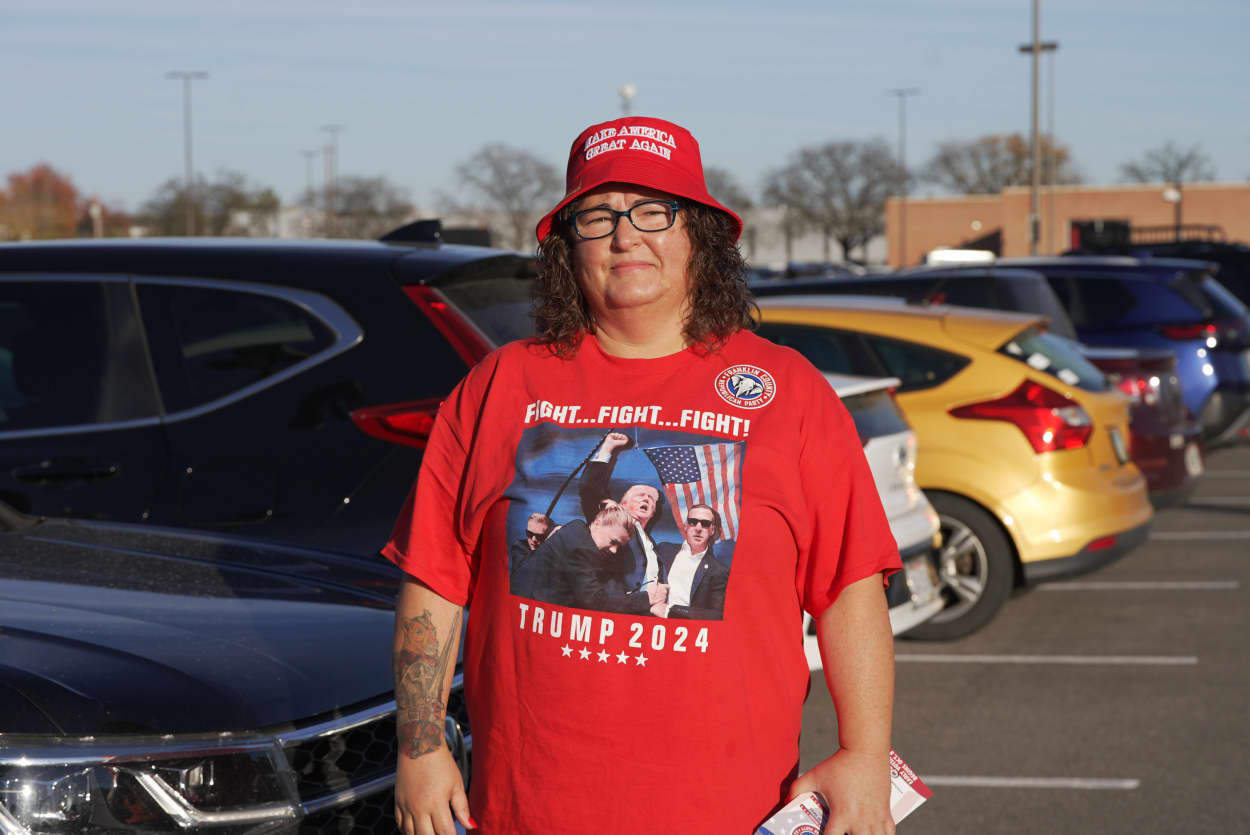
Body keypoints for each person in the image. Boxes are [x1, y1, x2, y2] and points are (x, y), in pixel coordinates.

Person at [385, 115, 901, 834]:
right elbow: (435, 578)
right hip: (527, 809)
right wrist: (420, 746)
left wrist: (864, 753)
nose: (626, 236)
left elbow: (849, 586)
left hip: (727, 809)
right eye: (598, 216)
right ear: (569, 247)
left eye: (654, 211)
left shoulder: (789, 392)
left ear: (699, 236)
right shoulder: (499, 385)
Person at [530, 501, 660, 614]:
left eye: (619, 546)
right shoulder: (580, 548)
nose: (614, 550)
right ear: (597, 524)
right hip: (534, 612)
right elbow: (595, 602)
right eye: (613, 541)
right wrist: (647, 598)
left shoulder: (577, 530)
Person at [578, 430, 665, 590]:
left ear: (653, 512)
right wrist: (608, 448)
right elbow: (589, 488)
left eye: (651, 498)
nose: (646, 498)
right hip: (617, 600)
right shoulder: (611, 521)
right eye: (640, 495)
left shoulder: (650, 543)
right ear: (622, 503)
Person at [653, 502, 730, 620]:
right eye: (693, 522)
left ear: (712, 530)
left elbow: (717, 614)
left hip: (686, 627)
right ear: (685, 526)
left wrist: (671, 611)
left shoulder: (719, 571)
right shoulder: (664, 549)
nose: (698, 528)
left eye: (705, 524)